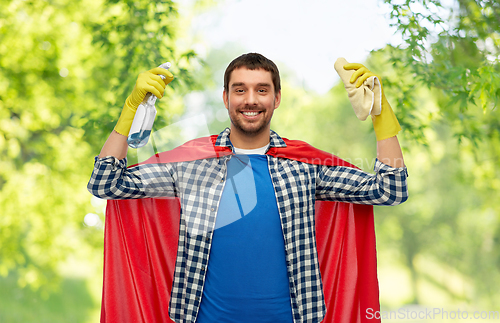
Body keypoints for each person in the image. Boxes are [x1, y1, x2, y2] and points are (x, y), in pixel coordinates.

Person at [88, 53, 408, 323]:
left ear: (276, 98)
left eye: (261, 90)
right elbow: (107, 183)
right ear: (226, 98)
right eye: (240, 90)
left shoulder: (308, 166)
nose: (251, 100)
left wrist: (381, 115)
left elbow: (389, 190)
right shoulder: (191, 164)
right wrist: (130, 113)